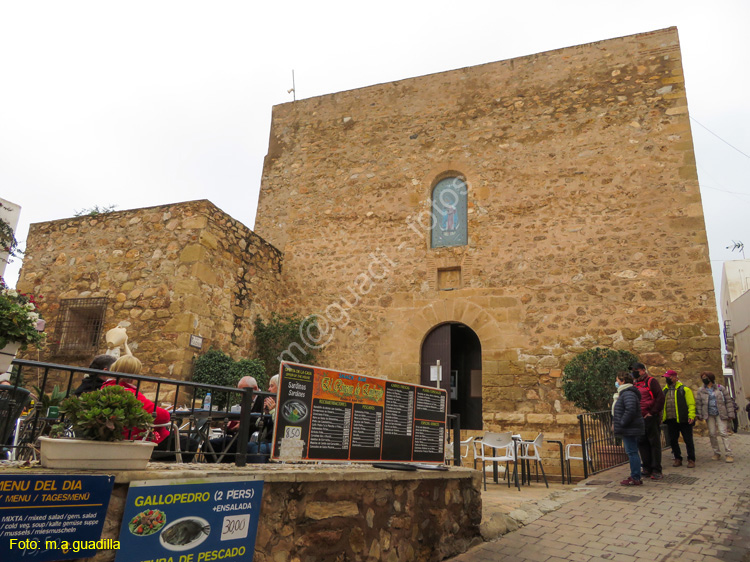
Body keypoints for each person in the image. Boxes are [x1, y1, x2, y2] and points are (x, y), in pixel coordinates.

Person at [206, 376, 264, 463]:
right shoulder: (246, 398)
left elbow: (260, 423)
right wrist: (231, 424)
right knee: (208, 445)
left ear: (255, 388)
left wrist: (242, 425)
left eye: (243, 392)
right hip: (237, 436)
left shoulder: (264, 400)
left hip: (249, 439)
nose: (241, 394)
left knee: (211, 445)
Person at [631, 362, 665, 480]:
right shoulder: (635, 384)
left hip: (650, 417)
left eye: (635, 370)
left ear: (642, 370)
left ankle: (656, 469)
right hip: (639, 418)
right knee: (642, 443)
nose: (633, 372)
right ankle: (646, 467)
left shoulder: (651, 382)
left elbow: (660, 397)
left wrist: (652, 413)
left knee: (653, 443)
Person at [613, 371, 645, 486]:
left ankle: (635, 477)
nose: (616, 383)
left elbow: (630, 410)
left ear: (623, 381)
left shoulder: (627, 394)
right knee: (632, 452)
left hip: (629, 428)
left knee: (632, 452)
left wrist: (622, 422)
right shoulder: (627, 393)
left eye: (617, 380)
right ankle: (635, 475)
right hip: (630, 427)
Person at [695, 372, 736, 463]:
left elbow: (728, 401)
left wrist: (730, 414)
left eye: (705, 377)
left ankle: (729, 454)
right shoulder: (701, 390)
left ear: (710, 378)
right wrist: (699, 415)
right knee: (712, 433)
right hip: (709, 414)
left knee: (723, 433)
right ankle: (716, 452)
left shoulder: (720, 388)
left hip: (720, 413)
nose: (704, 379)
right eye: (702, 377)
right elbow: (699, 403)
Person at [661, 370, 696, 468]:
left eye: (669, 377)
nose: (667, 379)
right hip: (671, 419)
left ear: (675, 377)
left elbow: (691, 403)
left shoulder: (684, 389)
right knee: (673, 440)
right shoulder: (665, 390)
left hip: (683, 419)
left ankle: (691, 459)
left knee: (688, 440)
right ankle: (677, 458)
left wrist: (691, 415)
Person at [248, 374, 277, 463]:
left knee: (258, 450)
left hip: (278, 443)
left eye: (272, 386)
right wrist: (265, 413)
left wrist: (273, 411)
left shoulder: (286, 404)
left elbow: (281, 425)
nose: (268, 389)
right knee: (248, 446)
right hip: (266, 441)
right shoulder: (271, 404)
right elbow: (258, 424)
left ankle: (258, 476)